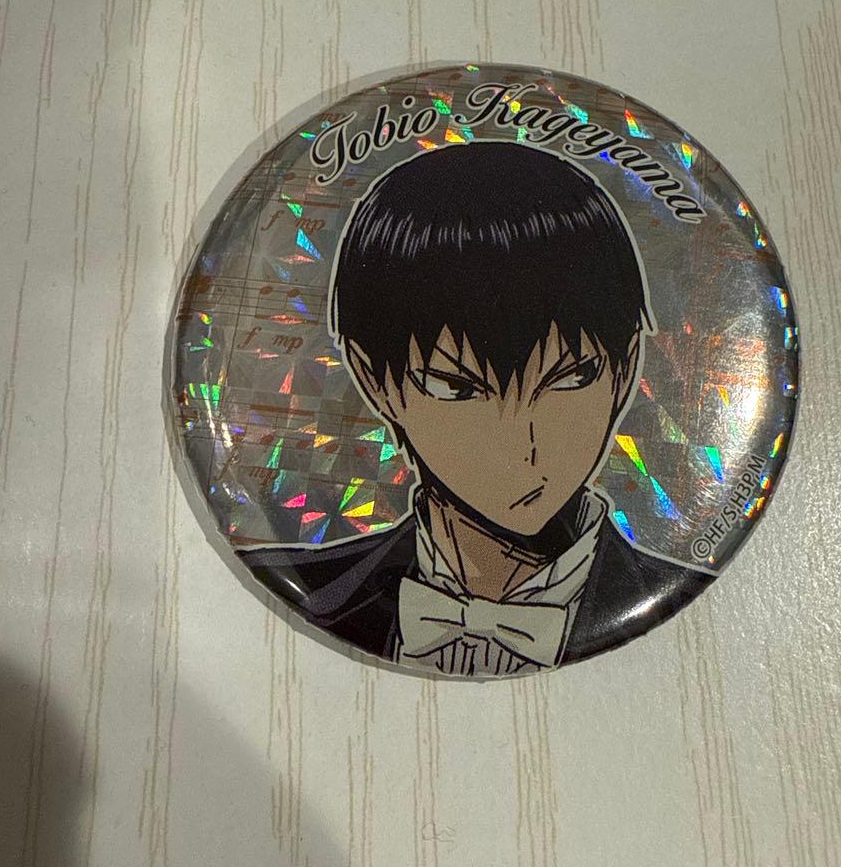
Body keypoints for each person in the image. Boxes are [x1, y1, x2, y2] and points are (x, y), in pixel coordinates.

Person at [240, 141, 710, 676]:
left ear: (625, 371)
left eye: (571, 378)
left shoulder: (683, 604)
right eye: (458, 389)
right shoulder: (306, 589)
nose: (522, 446)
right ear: (375, 382)